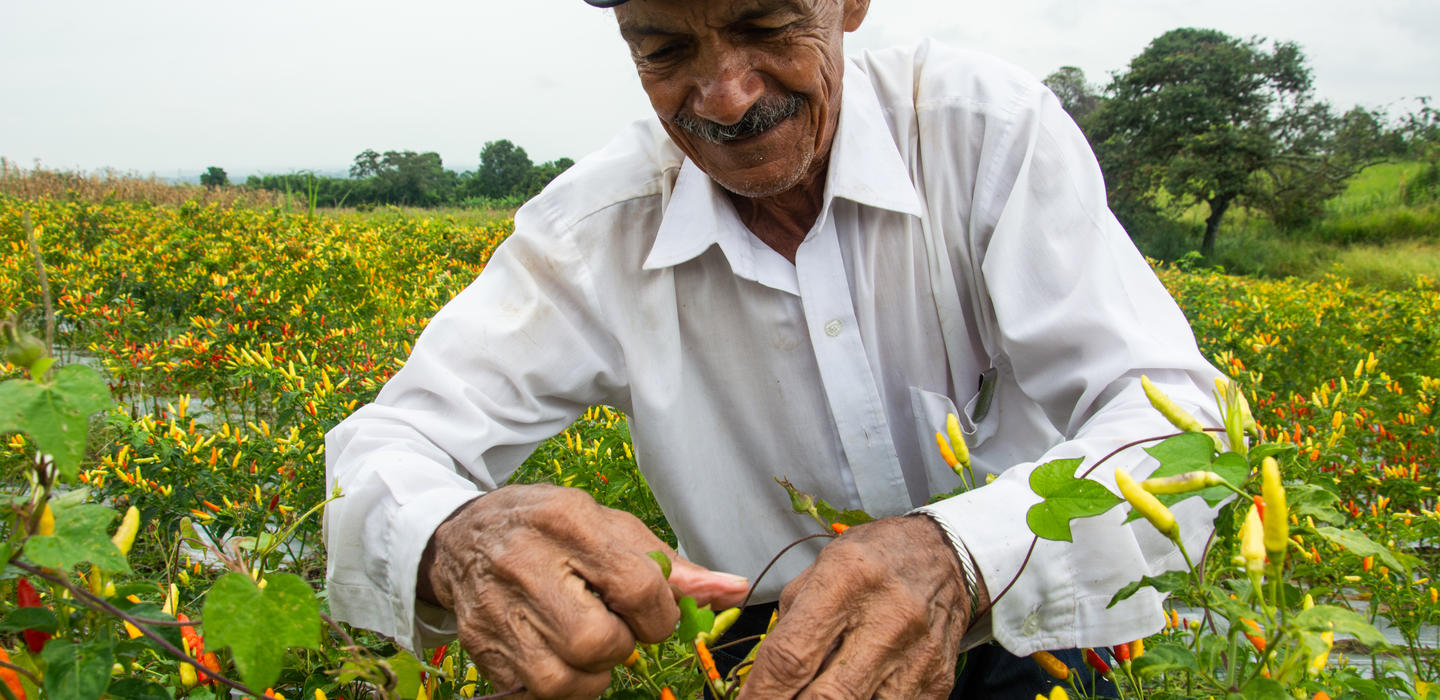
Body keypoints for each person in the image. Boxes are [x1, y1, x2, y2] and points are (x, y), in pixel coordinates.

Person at [323, 0, 1224, 697]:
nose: (725, 95)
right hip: (771, 654)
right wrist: (458, 536)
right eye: (664, 50)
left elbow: (1175, 423)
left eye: (765, 25)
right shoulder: (594, 230)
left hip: (1030, 613)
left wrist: (961, 554)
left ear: (850, 3)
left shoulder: (983, 133)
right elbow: (390, 446)